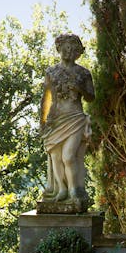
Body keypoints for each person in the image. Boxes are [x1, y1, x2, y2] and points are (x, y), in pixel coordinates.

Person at [40, 34, 95, 209]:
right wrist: (42, 122)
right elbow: (46, 99)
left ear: (78, 52)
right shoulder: (51, 72)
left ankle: (74, 190)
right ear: (59, 48)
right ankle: (61, 189)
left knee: (69, 156)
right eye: (65, 47)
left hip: (75, 118)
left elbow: (91, 97)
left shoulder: (83, 73)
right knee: (56, 157)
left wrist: (80, 89)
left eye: (72, 48)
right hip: (55, 119)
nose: (68, 51)